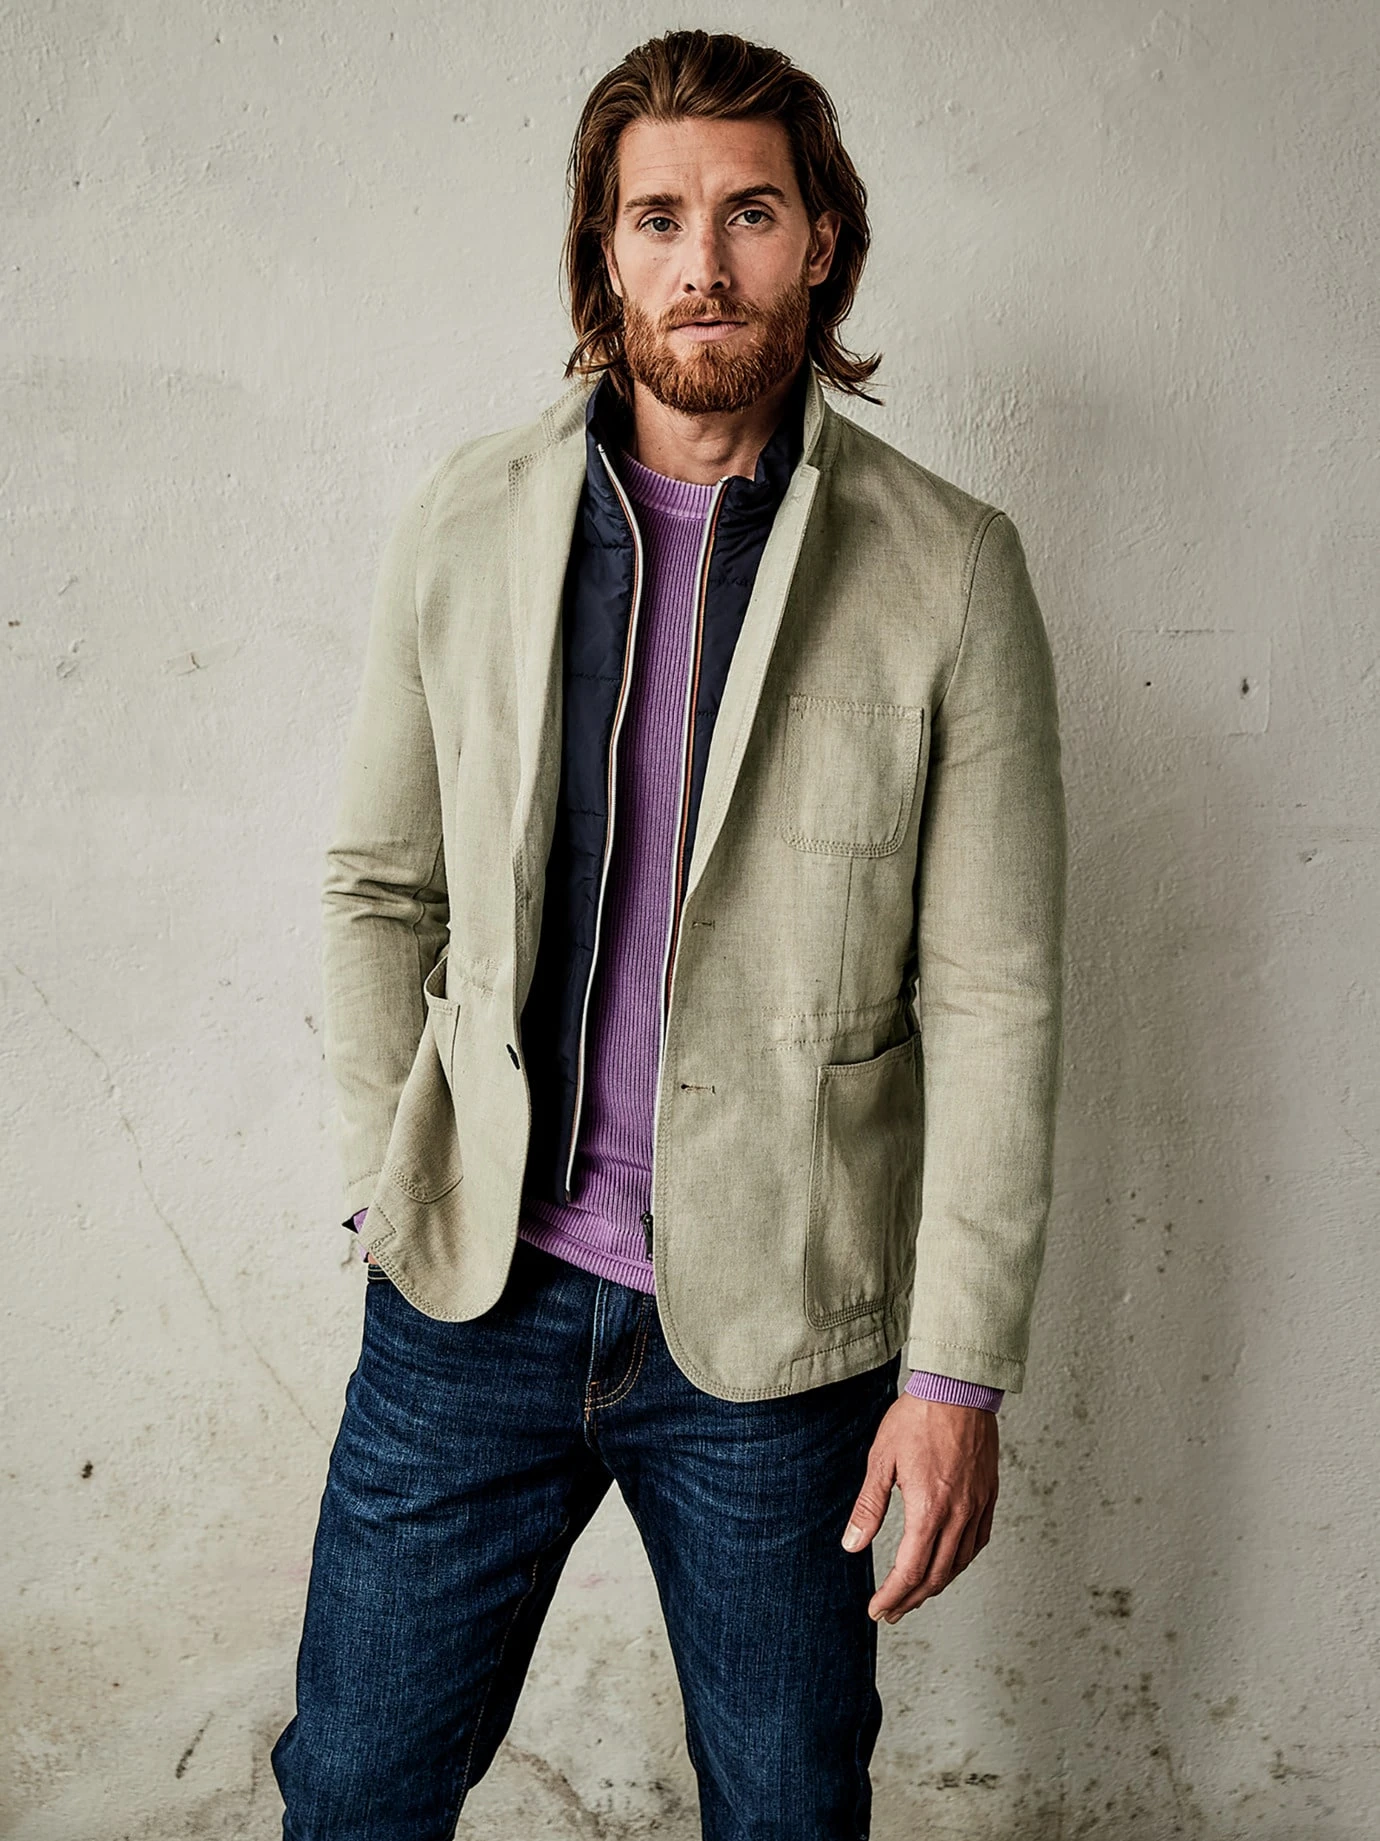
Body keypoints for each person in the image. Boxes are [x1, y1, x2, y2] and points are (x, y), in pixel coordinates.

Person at [272, 28, 1066, 1841]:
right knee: (356, 1789)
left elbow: (999, 994)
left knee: (788, 1808)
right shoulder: (468, 522)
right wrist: (383, 1189)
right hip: (472, 1298)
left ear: (822, 242)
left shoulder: (949, 567)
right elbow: (377, 887)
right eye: (658, 218)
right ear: (604, 251)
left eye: (751, 212)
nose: (704, 262)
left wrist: (955, 1373)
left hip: (780, 1334)